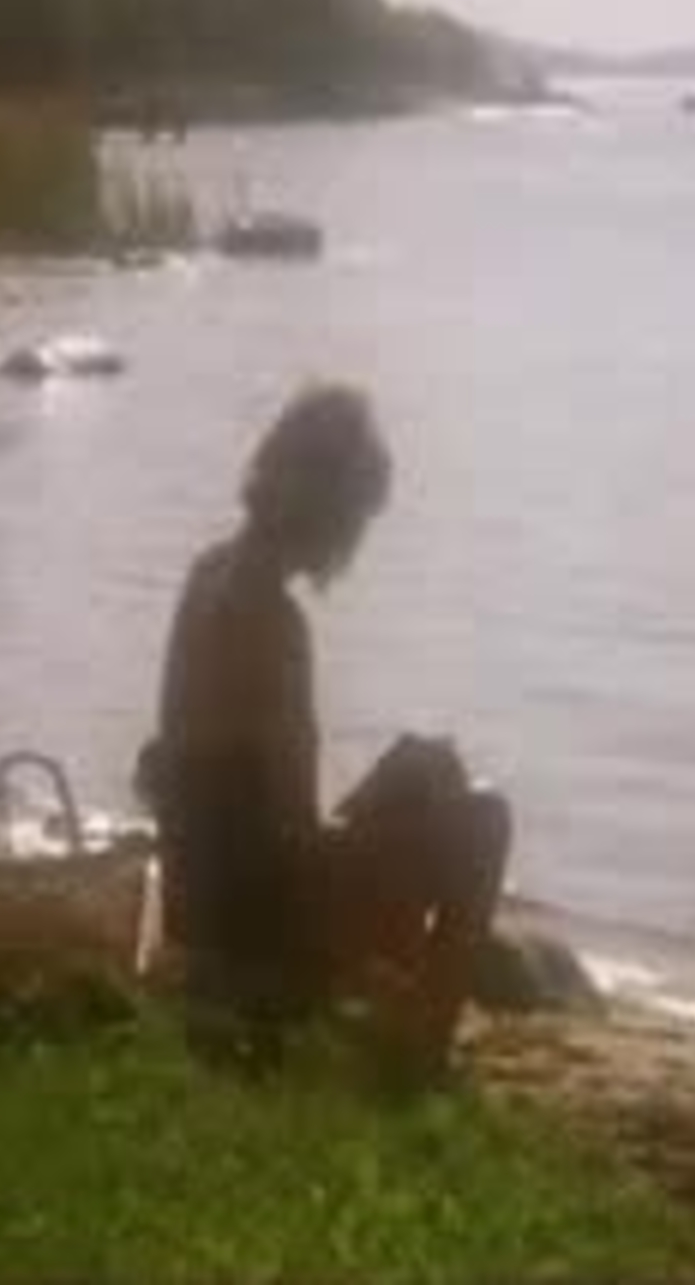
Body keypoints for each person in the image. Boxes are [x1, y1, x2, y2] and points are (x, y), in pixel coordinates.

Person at [136, 383, 512, 1081]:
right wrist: (383, 817)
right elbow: (294, 837)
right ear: (331, 509)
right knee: (484, 819)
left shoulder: (207, 573)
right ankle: (422, 1052)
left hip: (198, 898)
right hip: (256, 925)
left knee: (424, 769)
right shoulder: (276, 626)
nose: (356, 542)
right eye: (359, 518)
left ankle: (403, 1014)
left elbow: (228, 790)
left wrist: (386, 796)